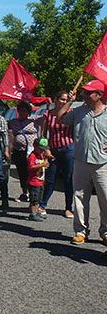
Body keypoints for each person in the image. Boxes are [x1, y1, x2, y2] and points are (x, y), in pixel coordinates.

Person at [57, 80, 107, 245]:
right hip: (81, 161)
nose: (84, 95)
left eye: (88, 92)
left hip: (102, 163)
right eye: (84, 92)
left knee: (105, 198)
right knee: (79, 196)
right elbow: (60, 118)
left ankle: (105, 232)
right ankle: (80, 231)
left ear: (98, 95)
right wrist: (70, 100)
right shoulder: (79, 112)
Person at [40, 91, 75, 218]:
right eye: (61, 99)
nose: (63, 102)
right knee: (50, 179)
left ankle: (68, 208)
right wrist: (46, 149)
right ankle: (43, 204)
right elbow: (43, 135)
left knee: (68, 179)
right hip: (53, 150)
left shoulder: (71, 114)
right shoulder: (47, 115)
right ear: (55, 99)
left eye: (66, 100)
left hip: (68, 149)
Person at [8, 100, 42, 203]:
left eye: (25, 111)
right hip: (20, 151)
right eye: (20, 111)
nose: (22, 113)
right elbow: (9, 134)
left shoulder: (34, 120)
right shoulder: (13, 122)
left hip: (32, 152)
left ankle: (36, 193)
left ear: (28, 112)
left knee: (33, 172)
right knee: (22, 173)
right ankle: (25, 193)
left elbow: (46, 115)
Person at [26, 138, 51, 222]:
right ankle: (33, 214)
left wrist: (47, 158)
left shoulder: (41, 155)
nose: (42, 151)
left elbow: (46, 158)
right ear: (34, 146)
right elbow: (30, 167)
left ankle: (36, 212)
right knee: (34, 199)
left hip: (40, 181)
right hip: (33, 182)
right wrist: (42, 165)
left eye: (43, 149)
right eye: (40, 149)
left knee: (39, 198)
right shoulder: (32, 156)